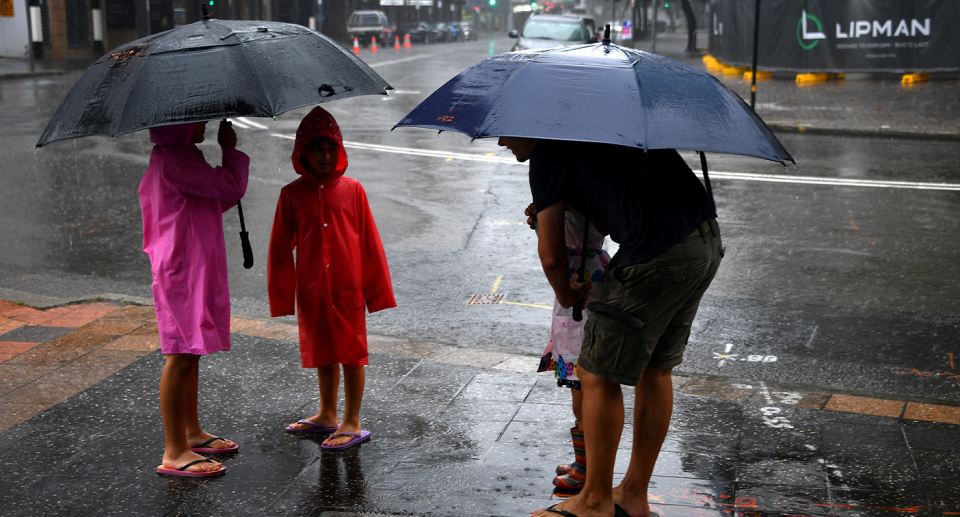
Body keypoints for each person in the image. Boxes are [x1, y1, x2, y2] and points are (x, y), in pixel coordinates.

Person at [499, 137, 723, 517]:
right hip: (704, 242)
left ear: (533, 124)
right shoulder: (606, 133)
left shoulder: (549, 153)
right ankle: (633, 495)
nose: (502, 140)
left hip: (656, 254)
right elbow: (616, 198)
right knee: (655, 369)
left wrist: (567, 295)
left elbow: (553, 257)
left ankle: (594, 500)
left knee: (595, 373)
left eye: (505, 130)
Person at [268, 106, 396, 451]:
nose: (325, 156)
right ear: (302, 154)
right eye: (317, 149)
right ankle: (327, 413)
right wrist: (282, 298)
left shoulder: (352, 190)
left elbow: (369, 242)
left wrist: (377, 292)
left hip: (347, 287)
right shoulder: (291, 195)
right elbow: (280, 250)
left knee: (352, 353)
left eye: (331, 149)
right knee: (323, 350)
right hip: (312, 290)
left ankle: (351, 419)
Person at [140, 120, 249, 477]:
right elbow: (230, 185)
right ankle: (174, 450)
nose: (203, 121)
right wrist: (229, 149)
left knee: (191, 351)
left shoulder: (176, 157)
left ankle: (189, 431)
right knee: (182, 354)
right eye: (197, 118)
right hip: (184, 269)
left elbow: (213, 198)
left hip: (188, 265)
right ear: (180, 124)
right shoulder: (176, 161)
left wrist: (224, 180)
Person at [532, 205, 610, 492]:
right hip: (590, 281)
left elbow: (551, 253)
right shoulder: (595, 250)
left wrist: (543, 221)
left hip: (578, 300)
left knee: (582, 391)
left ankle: (586, 469)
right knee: (582, 389)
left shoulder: (561, 198)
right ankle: (584, 463)